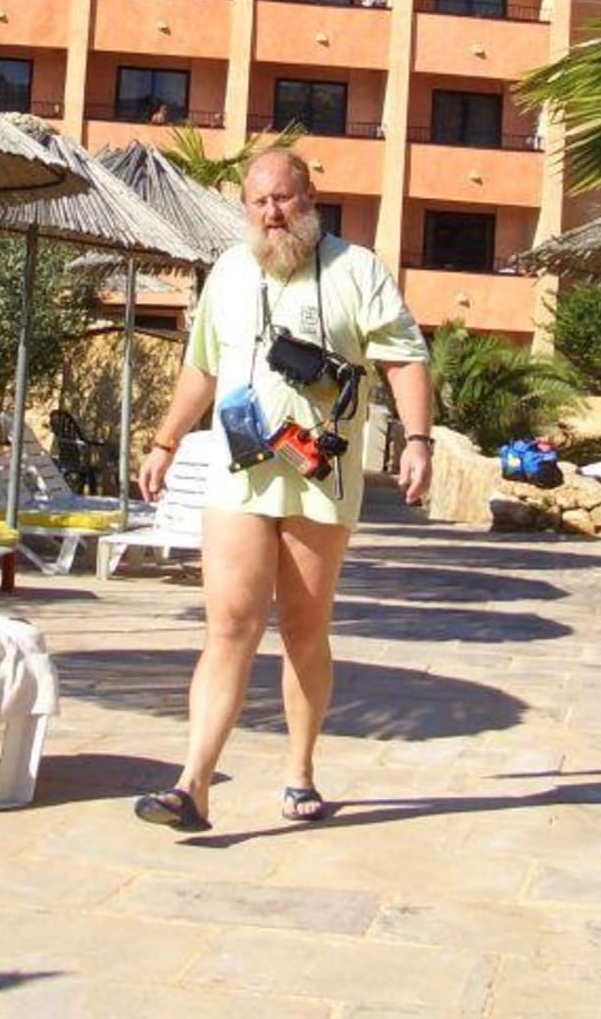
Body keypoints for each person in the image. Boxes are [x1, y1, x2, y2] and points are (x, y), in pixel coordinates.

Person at [132, 148, 433, 832]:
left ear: (310, 197)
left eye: (284, 199)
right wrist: (165, 442)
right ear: (245, 208)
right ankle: (192, 785)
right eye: (259, 202)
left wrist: (418, 440)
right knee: (229, 626)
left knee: (302, 628)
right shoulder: (229, 272)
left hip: (318, 481)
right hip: (239, 474)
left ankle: (300, 771)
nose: (272, 213)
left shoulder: (357, 270)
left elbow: (404, 359)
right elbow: (202, 368)